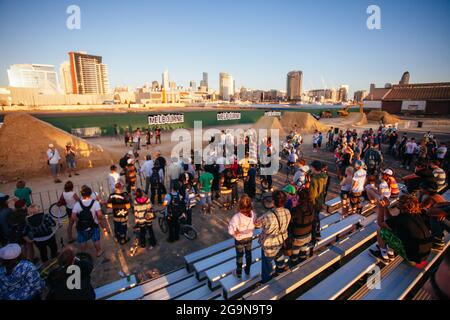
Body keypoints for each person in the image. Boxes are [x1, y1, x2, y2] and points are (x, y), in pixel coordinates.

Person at [370, 194, 433, 267]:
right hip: (424, 255)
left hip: (413, 258)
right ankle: (390, 252)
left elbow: (380, 223)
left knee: (381, 229)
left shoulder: (401, 219)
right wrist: (386, 207)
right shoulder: (417, 214)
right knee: (392, 229)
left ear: (401, 206)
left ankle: (384, 256)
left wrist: (380, 208)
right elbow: (390, 221)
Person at [256, 190, 291, 283]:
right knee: (279, 259)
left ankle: (266, 281)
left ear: (274, 201)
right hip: (281, 242)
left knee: (267, 265)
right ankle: (280, 272)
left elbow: (257, 224)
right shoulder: (288, 212)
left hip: (269, 245)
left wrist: (271, 209)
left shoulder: (268, 216)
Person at [71, 186, 106, 257]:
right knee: (96, 239)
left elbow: (73, 216)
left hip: (81, 226)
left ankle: (83, 254)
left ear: (81, 194)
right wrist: (99, 219)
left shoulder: (77, 204)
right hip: (93, 224)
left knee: (82, 240)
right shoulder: (95, 203)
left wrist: (78, 221)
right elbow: (99, 214)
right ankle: (99, 251)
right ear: (90, 194)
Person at [228, 195, 256, 278]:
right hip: (249, 238)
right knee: (248, 254)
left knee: (240, 255)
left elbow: (230, 231)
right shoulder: (253, 214)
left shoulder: (236, 217)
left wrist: (234, 233)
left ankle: (239, 272)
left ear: (239, 206)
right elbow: (254, 225)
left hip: (239, 239)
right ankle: (247, 270)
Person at [289, 189, 314, 266]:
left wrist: (292, 207)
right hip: (308, 235)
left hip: (298, 238)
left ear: (299, 198)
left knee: (294, 257)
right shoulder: (311, 207)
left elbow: (290, 222)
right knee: (303, 252)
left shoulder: (296, 210)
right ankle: (303, 263)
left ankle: (295, 267)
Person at [309, 161, 329, 241]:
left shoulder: (314, 179)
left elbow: (312, 194)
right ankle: (317, 233)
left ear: (314, 168)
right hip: (320, 200)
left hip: (314, 202)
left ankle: (315, 236)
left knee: (314, 219)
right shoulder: (324, 176)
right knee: (317, 217)